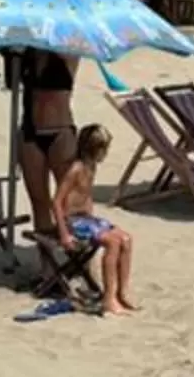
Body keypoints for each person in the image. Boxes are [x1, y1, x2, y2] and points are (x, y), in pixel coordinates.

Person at [54, 125, 138, 313]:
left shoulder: (91, 166)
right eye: (104, 149)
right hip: (72, 221)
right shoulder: (76, 169)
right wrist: (64, 234)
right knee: (113, 243)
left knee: (126, 239)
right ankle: (109, 299)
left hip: (86, 219)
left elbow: (86, 195)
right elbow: (57, 202)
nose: (106, 154)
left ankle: (121, 292)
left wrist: (93, 217)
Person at [13, 47, 80, 238]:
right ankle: (47, 263)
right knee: (39, 201)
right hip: (30, 132)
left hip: (60, 131)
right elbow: (12, 83)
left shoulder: (67, 52)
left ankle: (79, 258)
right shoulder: (25, 53)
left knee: (69, 199)